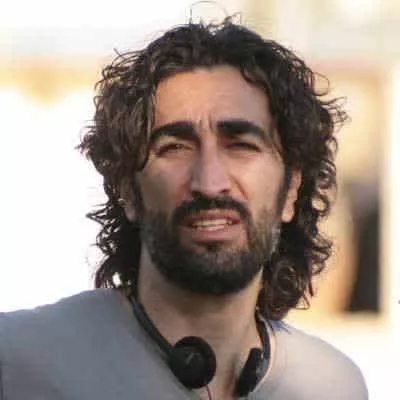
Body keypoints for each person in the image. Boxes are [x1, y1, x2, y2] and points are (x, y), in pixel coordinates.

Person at [0, 19, 368, 400]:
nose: (209, 182)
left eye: (241, 145)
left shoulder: (333, 386)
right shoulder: (18, 361)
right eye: (175, 147)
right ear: (128, 190)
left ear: (291, 189)